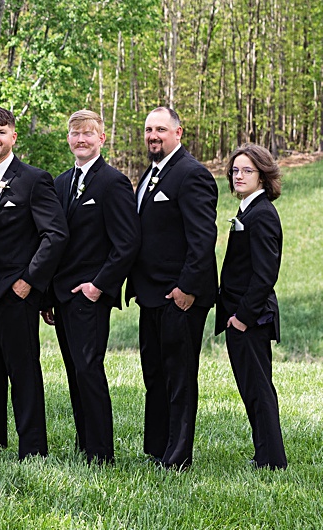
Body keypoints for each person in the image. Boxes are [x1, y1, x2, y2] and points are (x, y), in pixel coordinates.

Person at [0, 107, 67, 459]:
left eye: (1, 132)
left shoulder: (33, 179)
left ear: (13, 136)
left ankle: (33, 447)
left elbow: (54, 235)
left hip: (14, 292)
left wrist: (29, 281)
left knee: (22, 371)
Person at [44, 110, 139, 464]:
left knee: (89, 370)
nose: (80, 139)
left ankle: (101, 453)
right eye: (75, 134)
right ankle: (84, 445)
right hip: (62, 295)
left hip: (90, 295)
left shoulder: (113, 182)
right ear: (68, 139)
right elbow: (53, 242)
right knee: (74, 373)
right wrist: (48, 295)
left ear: (101, 139)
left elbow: (127, 243)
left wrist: (99, 286)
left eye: (88, 133)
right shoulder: (60, 182)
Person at [129, 106, 218, 469]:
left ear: (178, 133)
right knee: (154, 374)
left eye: (161, 129)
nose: (153, 135)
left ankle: (178, 456)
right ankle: (156, 448)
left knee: (179, 377)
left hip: (180, 296)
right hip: (150, 294)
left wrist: (187, 288)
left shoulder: (192, 174)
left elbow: (203, 239)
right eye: (149, 129)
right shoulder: (148, 176)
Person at [216, 143, 287, 469]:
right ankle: (264, 455)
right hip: (242, 317)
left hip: (251, 319)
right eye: (235, 170)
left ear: (263, 175)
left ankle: (272, 460)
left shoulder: (261, 215)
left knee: (258, 389)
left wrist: (242, 318)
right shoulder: (247, 210)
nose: (239, 175)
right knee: (252, 389)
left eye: (247, 170)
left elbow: (264, 275)